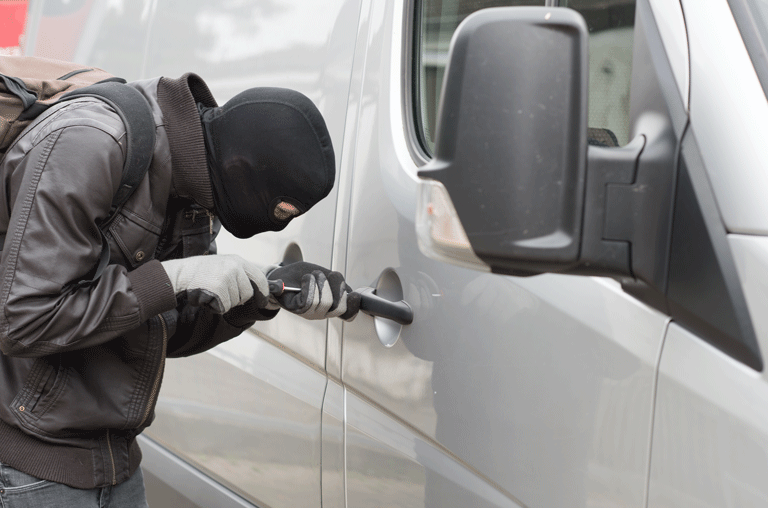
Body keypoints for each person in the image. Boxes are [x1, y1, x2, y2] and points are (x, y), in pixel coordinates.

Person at [0, 72, 357, 507]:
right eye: (282, 210)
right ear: (242, 172)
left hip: (115, 462)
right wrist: (172, 279)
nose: (282, 222)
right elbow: (25, 320)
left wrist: (266, 294)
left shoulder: (195, 183)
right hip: (30, 467)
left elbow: (160, 328)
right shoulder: (90, 144)